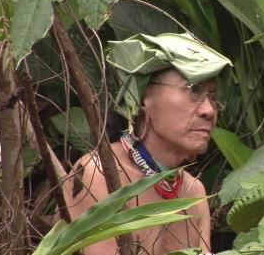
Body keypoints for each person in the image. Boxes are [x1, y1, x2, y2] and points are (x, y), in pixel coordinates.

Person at [64, 33, 232, 255]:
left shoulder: (192, 192)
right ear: (143, 97)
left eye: (212, 97)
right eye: (193, 90)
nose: (209, 110)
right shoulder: (99, 173)